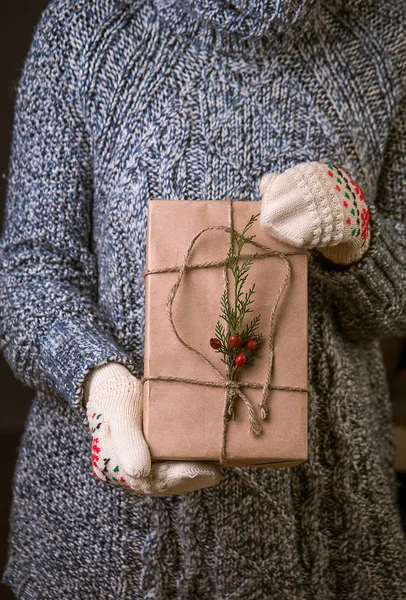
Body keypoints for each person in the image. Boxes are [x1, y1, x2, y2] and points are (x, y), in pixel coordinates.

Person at [1, 0, 405, 597]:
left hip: (334, 541)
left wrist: (357, 234)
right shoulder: (88, 24)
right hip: (107, 549)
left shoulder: (388, 32)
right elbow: (31, 268)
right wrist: (98, 380)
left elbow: (395, 304)